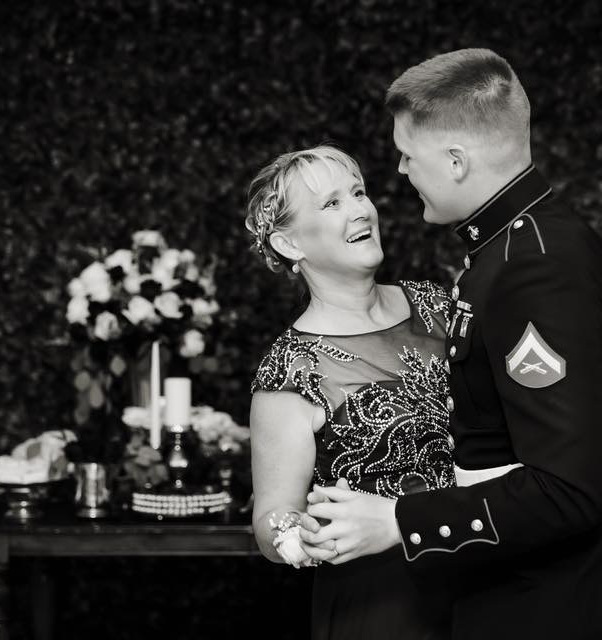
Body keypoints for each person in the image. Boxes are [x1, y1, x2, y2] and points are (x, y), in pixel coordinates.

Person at [301, 49, 602, 639]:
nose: (402, 172)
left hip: (572, 590)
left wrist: (399, 520)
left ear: (456, 161)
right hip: (548, 568)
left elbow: (565, 490)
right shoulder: (528, 239)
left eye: (409, 156)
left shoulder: (530, 267)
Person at [245, 145, 455, 640]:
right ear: (289, 243)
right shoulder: (290, 370)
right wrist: (299, 536)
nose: (360, 209)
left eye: (358, 193)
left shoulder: (440, 304)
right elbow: (272, 520)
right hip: (385, 607)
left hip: (489, 579)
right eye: (331, 204)